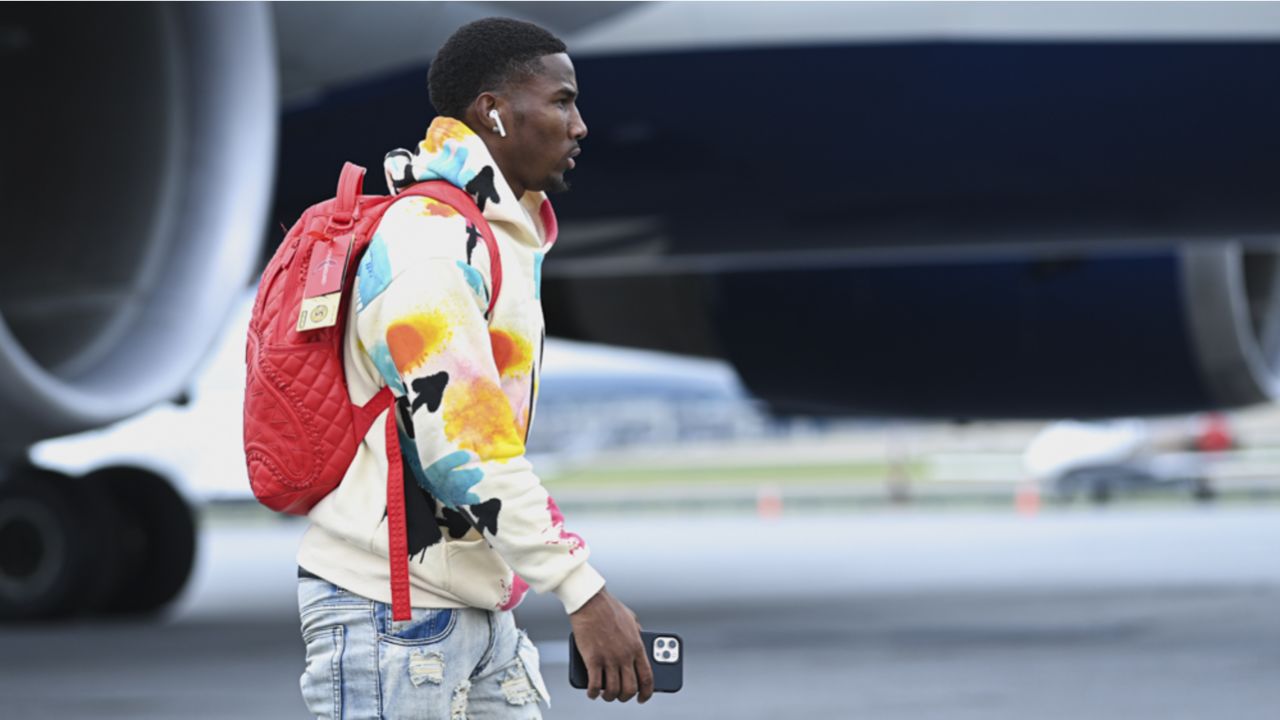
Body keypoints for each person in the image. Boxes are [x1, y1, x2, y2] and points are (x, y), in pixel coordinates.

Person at [295, 17, 652, 719]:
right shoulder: (432, 241)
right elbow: (466, 445)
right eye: (561, 101)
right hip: (392, 615)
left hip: (471, 607)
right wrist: (582, 589)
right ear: (492, 112)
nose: (579, 126)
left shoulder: (494, 235)